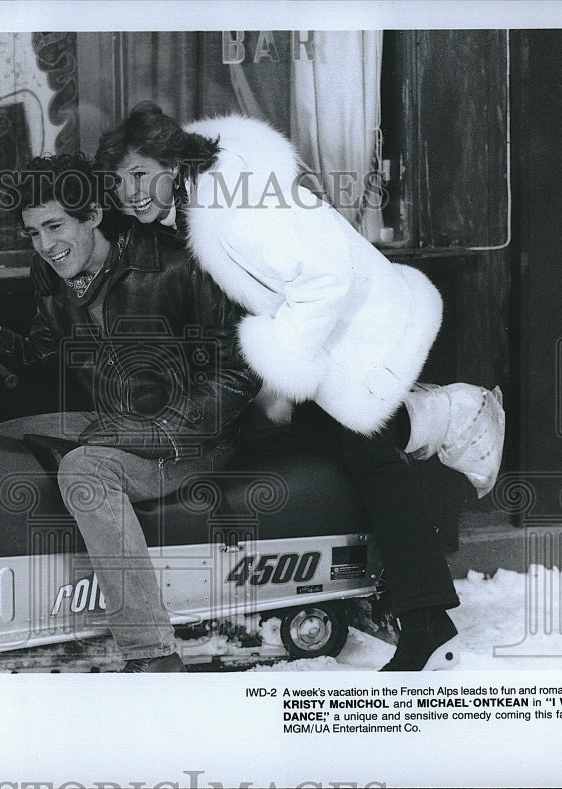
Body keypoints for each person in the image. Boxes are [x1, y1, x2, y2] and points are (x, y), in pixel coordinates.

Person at [94, 102, 506, 671]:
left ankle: (425, 618)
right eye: (118, 183)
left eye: (139, 174)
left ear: (171, 160)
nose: (129, 192)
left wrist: (282, 361)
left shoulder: (231, 207)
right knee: (321, 435)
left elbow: (327, 277)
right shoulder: (205, 201)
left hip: (364, 327)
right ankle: (447, 416)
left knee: (369, 450)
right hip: (338, 331)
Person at [0, 153, 261, 672]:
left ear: (93, 215)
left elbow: (241, 371)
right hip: (116, 422)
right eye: (32, 233)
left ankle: (154, 655)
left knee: (83, 469)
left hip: (193, 442)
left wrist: (157, 431)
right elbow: (40, 353)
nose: (45, 246)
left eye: (55, 226)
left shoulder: (178, 264)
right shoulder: (53, 278)